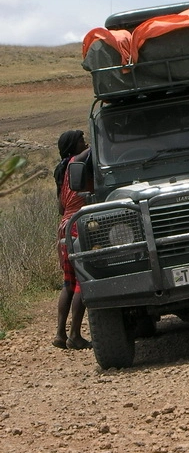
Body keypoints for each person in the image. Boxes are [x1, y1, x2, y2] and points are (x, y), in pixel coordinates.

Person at [53, 130, 92, 349]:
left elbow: (60, 207)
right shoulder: (76, 163)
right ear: (72, 147)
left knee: (68, 283)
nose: (84, 142)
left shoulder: (60, 172)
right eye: (80, 141)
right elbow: (94, 149)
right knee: (82, 282)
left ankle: (60, 334)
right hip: (78, 226)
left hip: (64, 228)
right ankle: (75, 335)